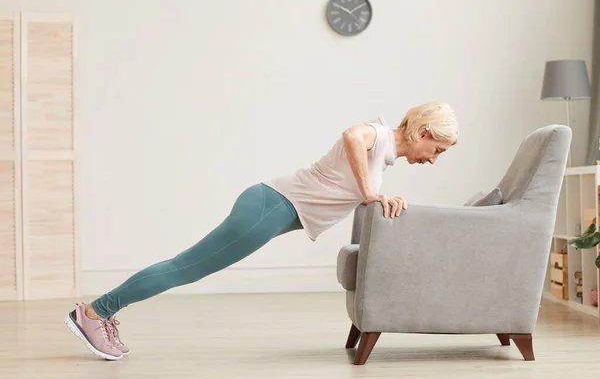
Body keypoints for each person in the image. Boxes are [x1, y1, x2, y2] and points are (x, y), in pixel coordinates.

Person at [64, 102, 459, 360]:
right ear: (423, 133)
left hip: (272, 207)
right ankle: (95, 312)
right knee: (184, 268)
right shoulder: (378, 133)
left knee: (186, 267)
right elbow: (352, 136)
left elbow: (349, 189)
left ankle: (99, 312)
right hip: (270, 204)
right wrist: (373, 192)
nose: (435, 160)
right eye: (438, 150)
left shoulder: (384, 158)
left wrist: (383, 197)